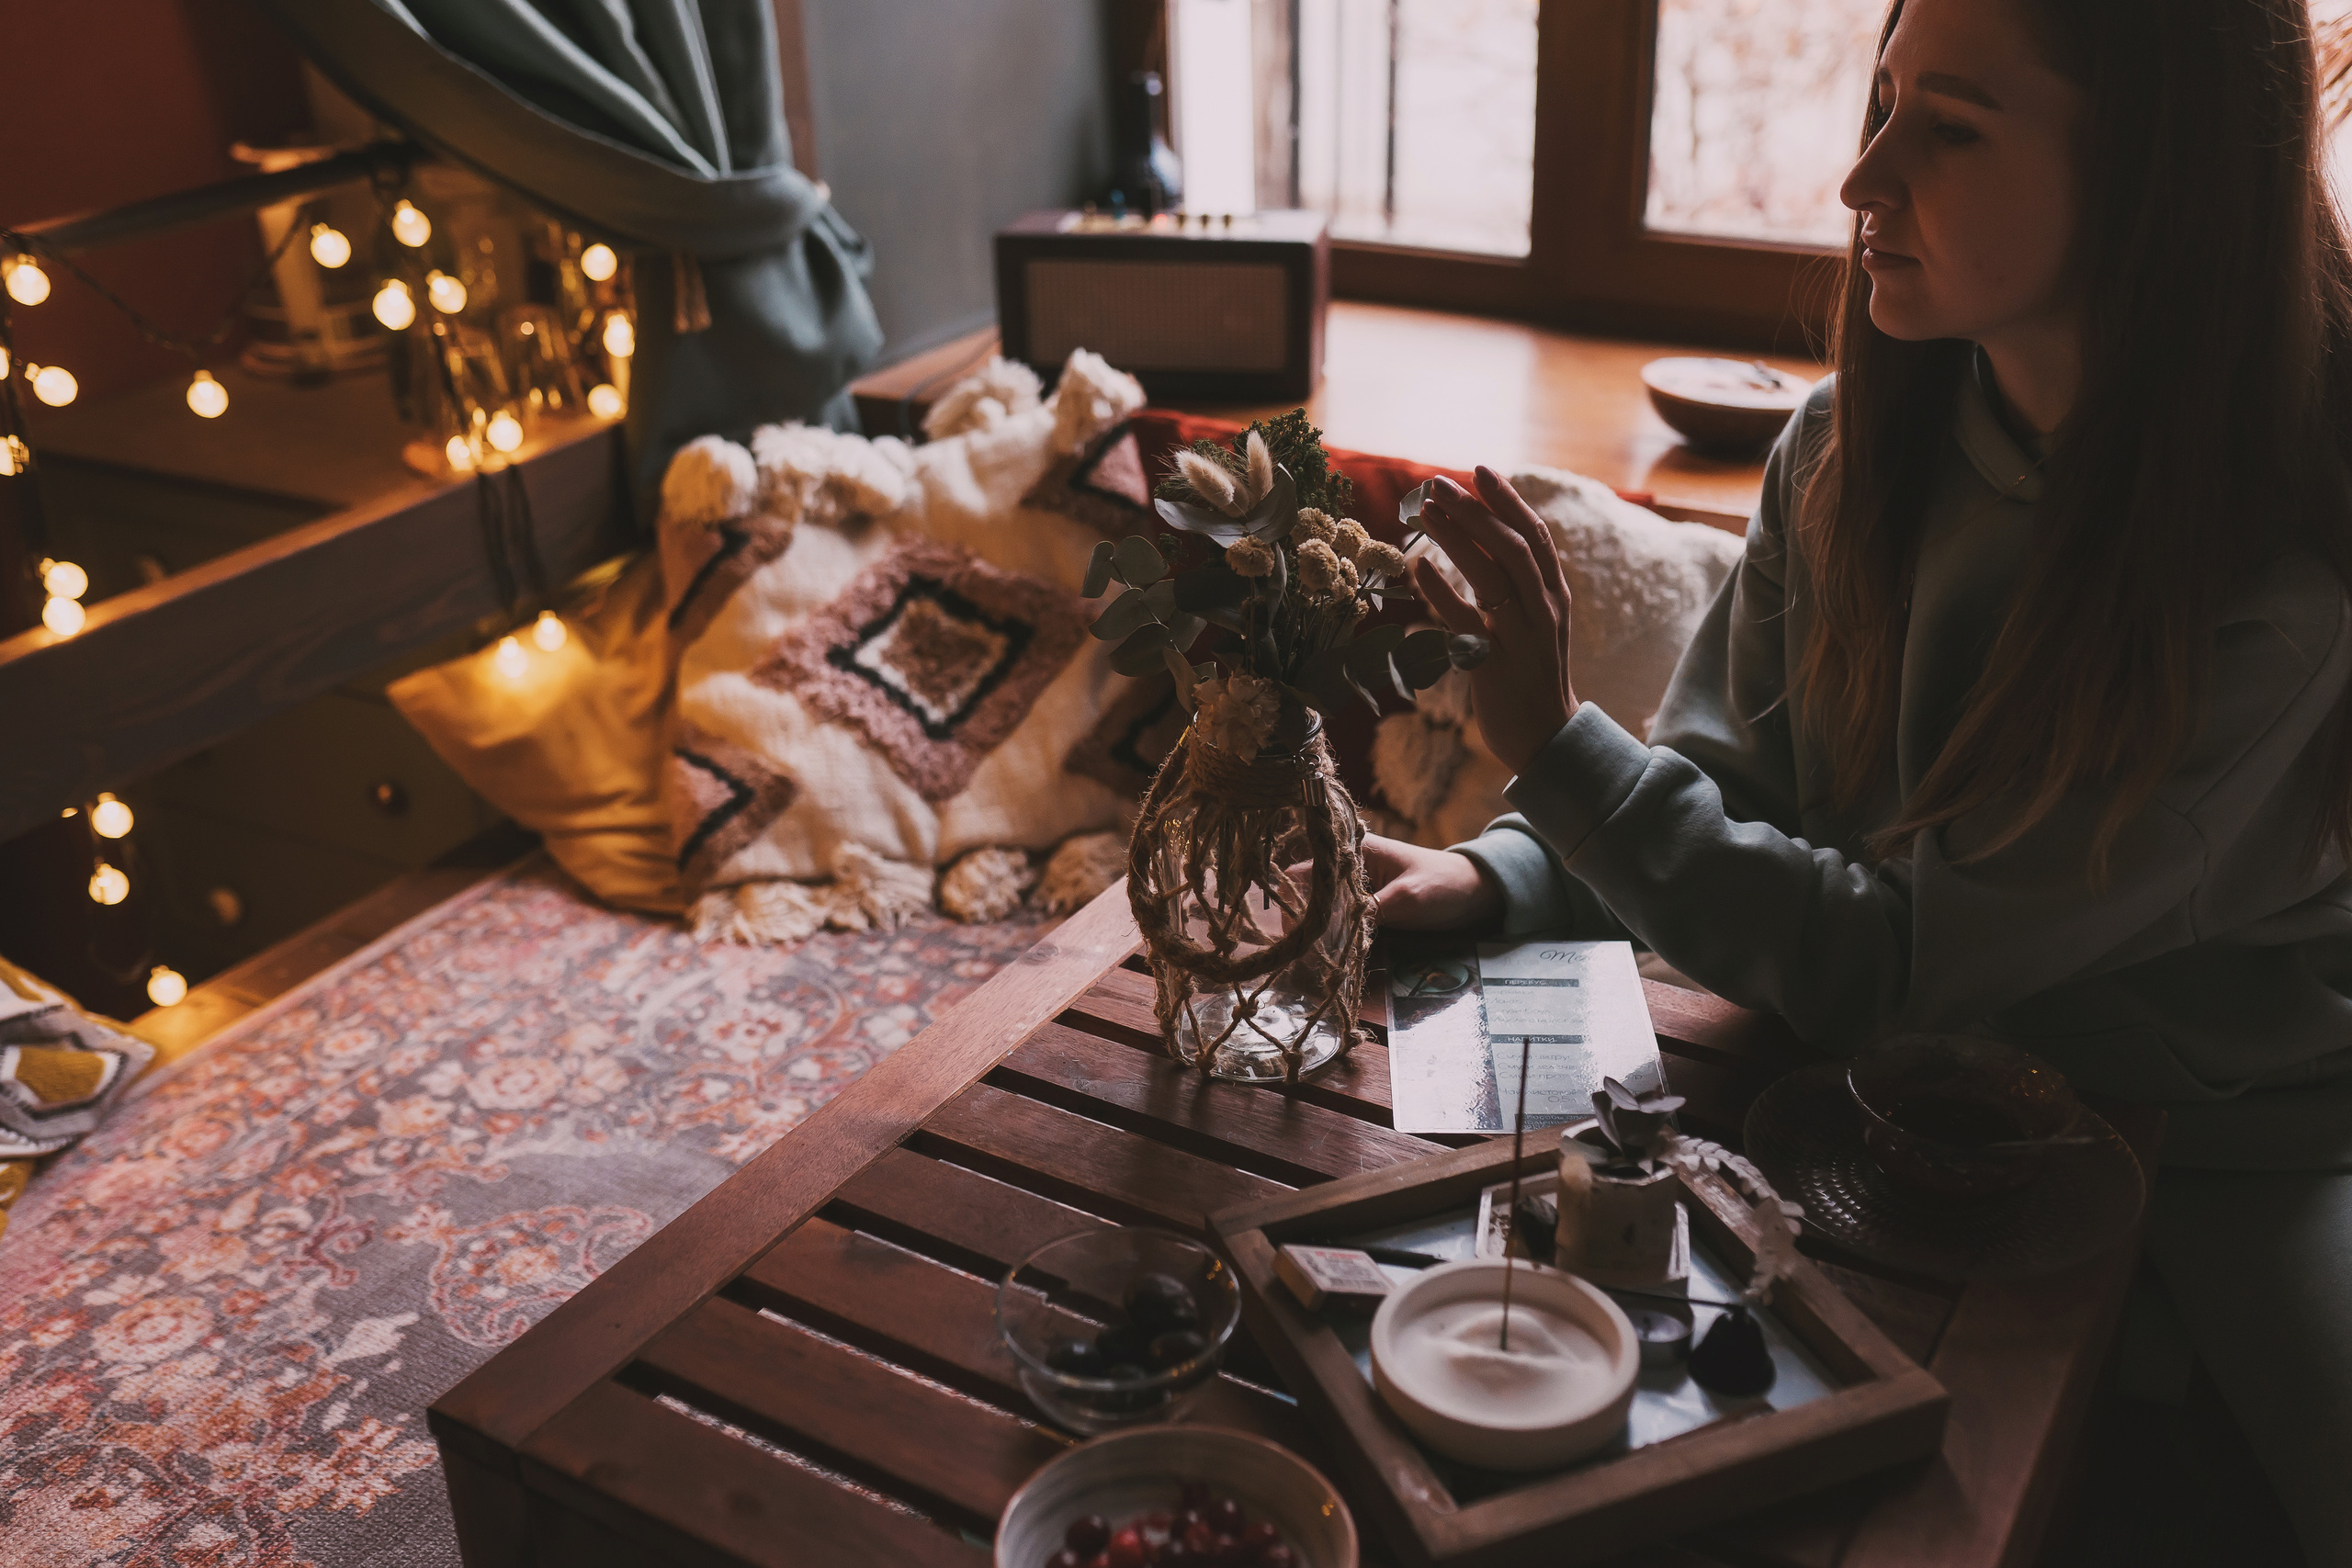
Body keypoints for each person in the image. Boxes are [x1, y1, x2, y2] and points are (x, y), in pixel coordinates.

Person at [1371, 0, 2352, 1560]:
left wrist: (1558, 744)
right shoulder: (1847, 445)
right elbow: (1722, 770)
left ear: (2158, 179)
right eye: (1881, 102)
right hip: (1857, 1105)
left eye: (1949, 127)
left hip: (2205, 1166)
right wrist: (1509, 869)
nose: (1861, 178)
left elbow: (1904, 962)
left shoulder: (2280, 588)